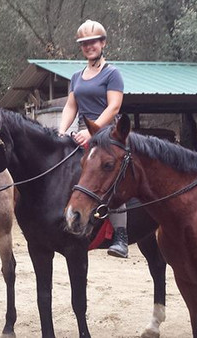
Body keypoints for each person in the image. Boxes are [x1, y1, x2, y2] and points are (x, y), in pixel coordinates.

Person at [58, 19, 129, 258]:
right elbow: (71, 106)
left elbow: (114, 106)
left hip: (107, 134)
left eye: (93, 42)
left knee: (111, 175)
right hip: (81, 132)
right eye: (84, 44)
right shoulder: (77, 76)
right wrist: (62, 130)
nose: (89, 47)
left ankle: (121, 235)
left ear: (103, 43)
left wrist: (93, 130)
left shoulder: (112, 74)